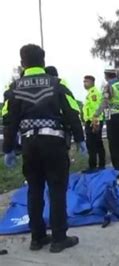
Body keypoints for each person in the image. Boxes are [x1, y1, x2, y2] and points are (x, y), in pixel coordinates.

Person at [3, 44, 87, 252]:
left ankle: (37, 237)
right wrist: (80, 139)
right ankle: (59, 238)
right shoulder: (56, 83)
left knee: (34, 190)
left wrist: (8, 149)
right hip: (54, 144)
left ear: (22, 63)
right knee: (57, 191)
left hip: (29, 145)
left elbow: (8, 120)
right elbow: (72, 112)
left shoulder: (14, 88)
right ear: (43, 61)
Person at [93, 69, 119, 180]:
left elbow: (105, 102)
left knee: (114, 145)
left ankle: (117, 171)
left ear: (106, 76)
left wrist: (97, 114)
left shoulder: (108, 85)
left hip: (112, 116)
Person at [82, 75, 106, 172]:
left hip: (93, 122)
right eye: (84, 82)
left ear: (92, 82)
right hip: (91, 121)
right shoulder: (90, 93)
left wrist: (95, 122)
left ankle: (93, 166)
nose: (84, 84)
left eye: (86, 82)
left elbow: (96, 108)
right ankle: (100, 164)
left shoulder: (93, 93)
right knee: (96, 144)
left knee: (92, 145)